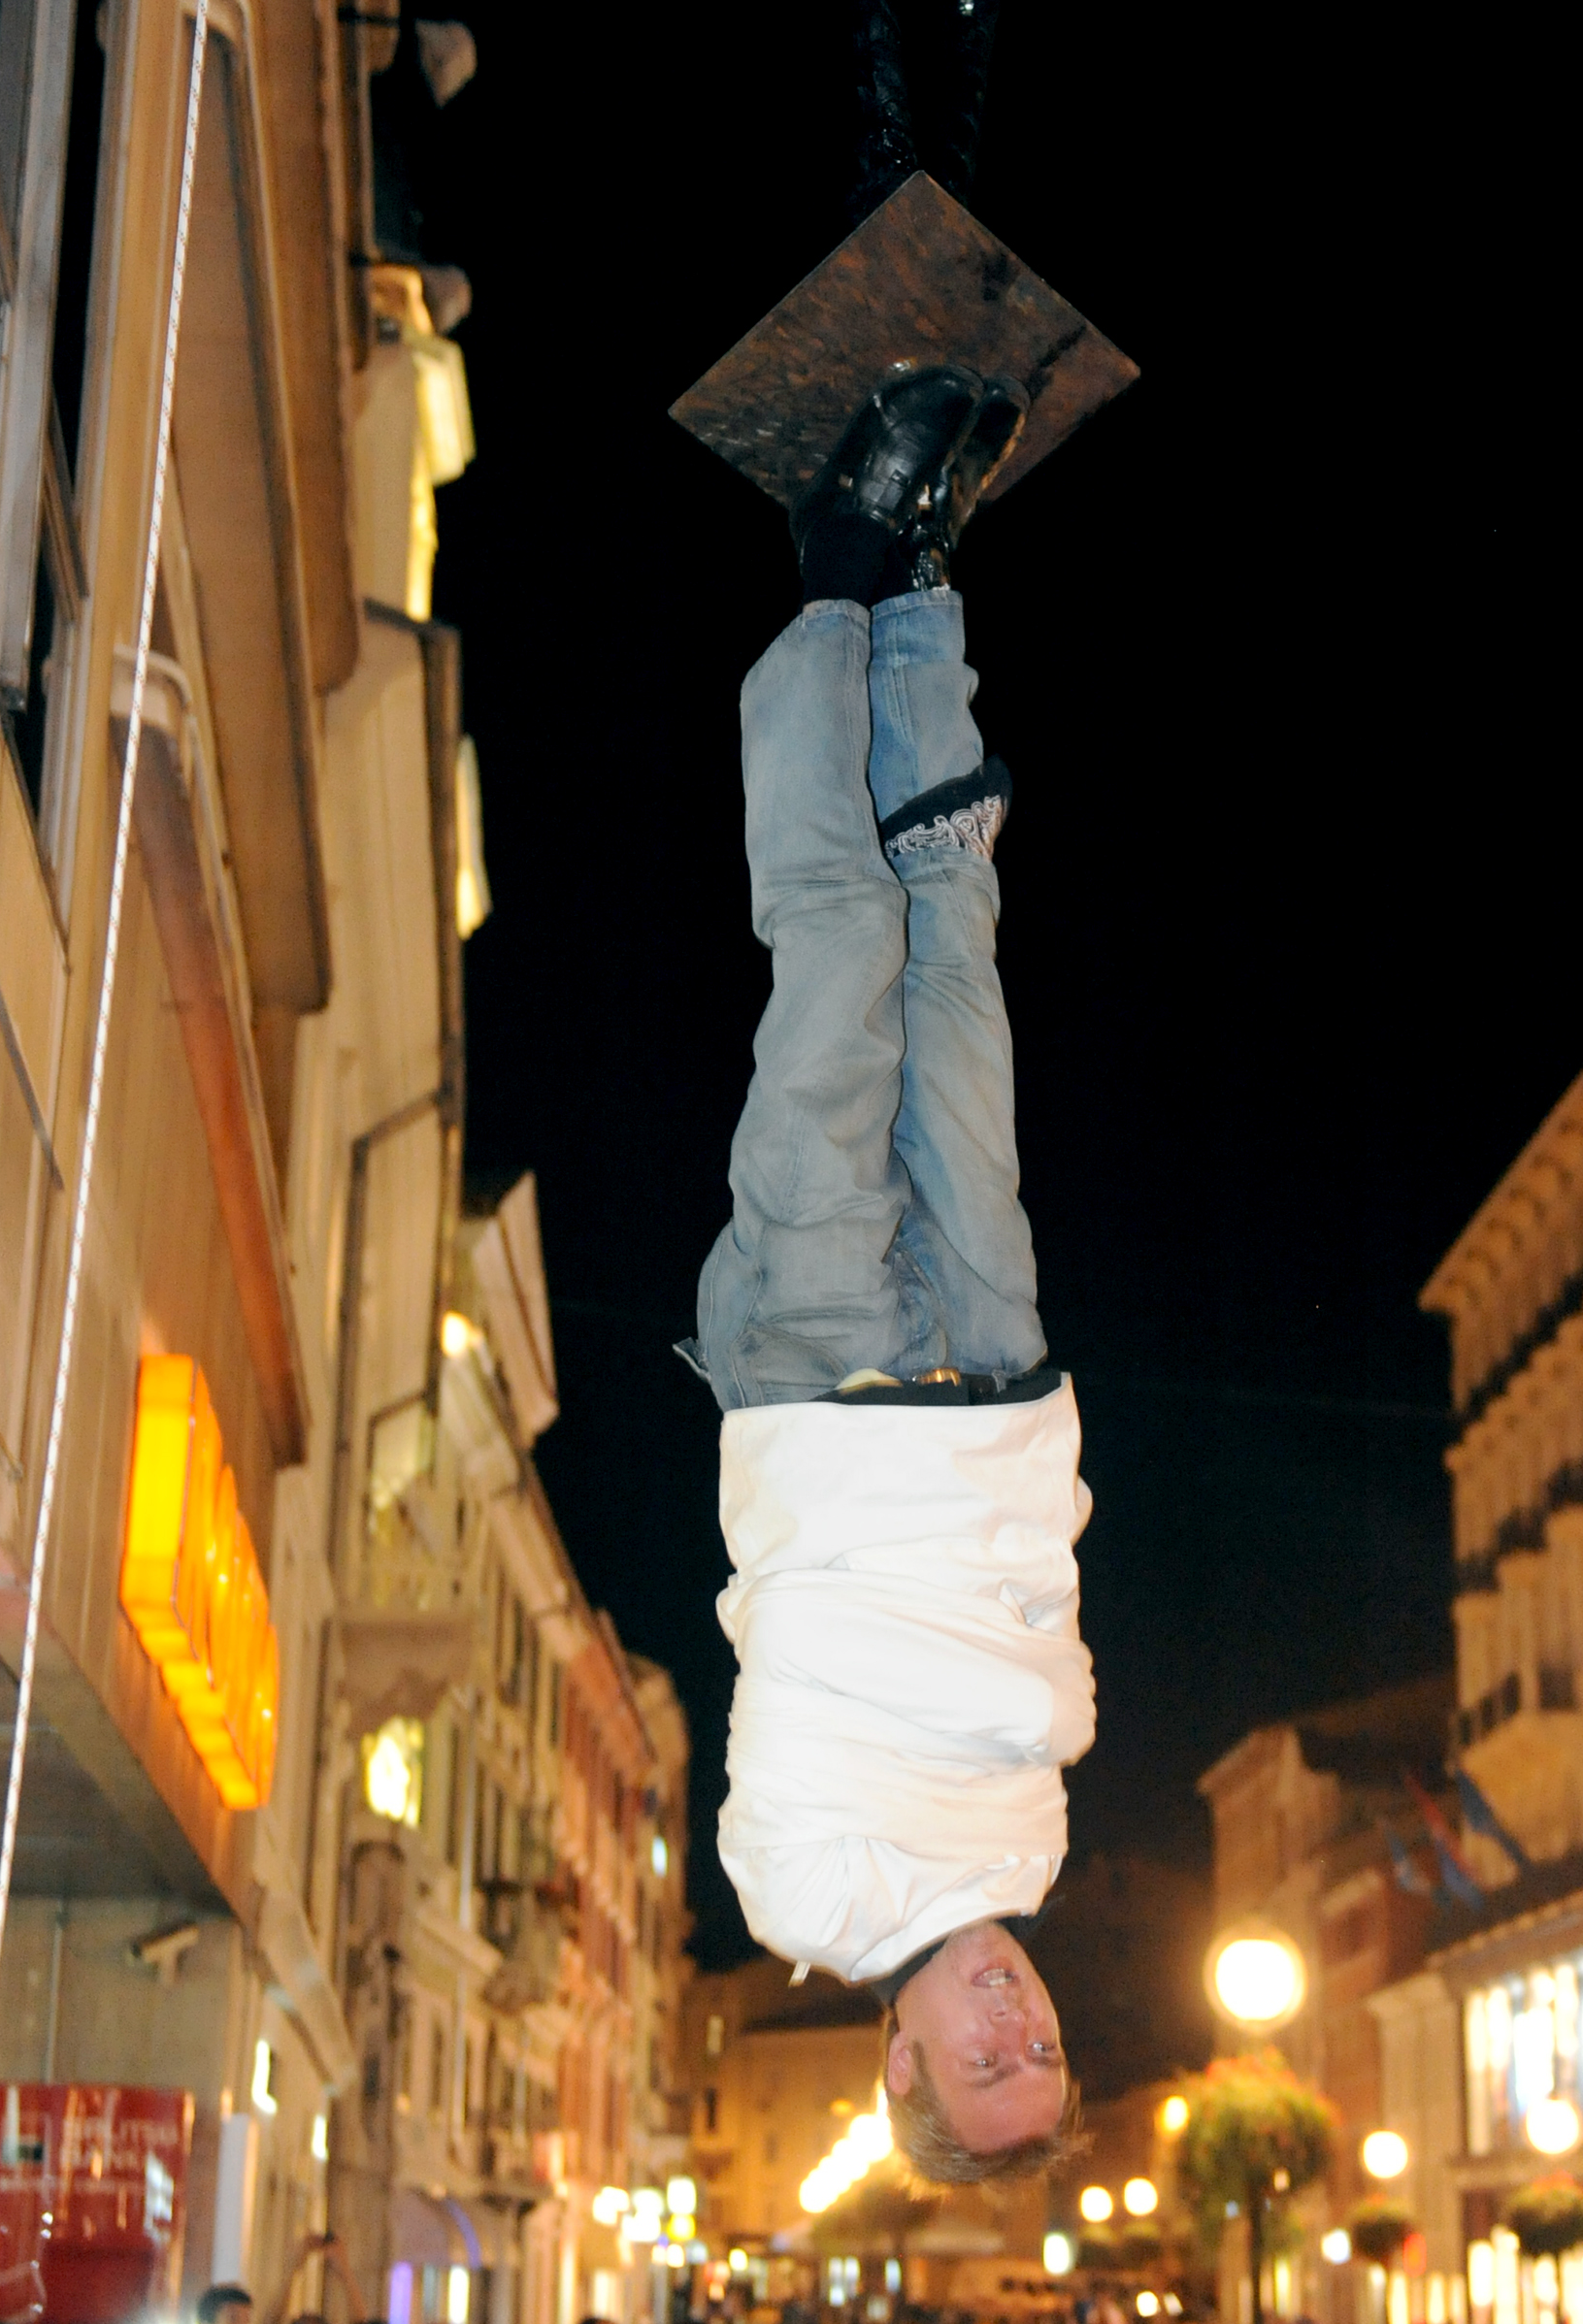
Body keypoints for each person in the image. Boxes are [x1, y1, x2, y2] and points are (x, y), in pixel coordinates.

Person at [690, 366, 1095, 2189]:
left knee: (842, 945)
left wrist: (991, 1671)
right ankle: (926, 585)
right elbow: (1012, 1625)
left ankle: (834, 569)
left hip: (823, 1377)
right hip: (992, 1385)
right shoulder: (1027, 1859)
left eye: (986, 2061)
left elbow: (848, 1639)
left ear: (902, 2070)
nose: (1019, 2020)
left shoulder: (806, 1892)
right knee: (953, 930)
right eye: (1050, 2047)